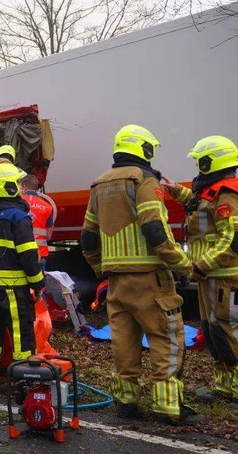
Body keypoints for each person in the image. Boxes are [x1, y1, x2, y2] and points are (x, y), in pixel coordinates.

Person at [81, 124, 195, 424]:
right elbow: (154, 228)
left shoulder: (99, 185)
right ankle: (168, 407)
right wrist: (181, 264)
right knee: (166, 339)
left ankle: (126, 403)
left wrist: (100, 272)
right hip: (151, 280)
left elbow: (88, 238)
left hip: (117, 283)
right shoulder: (143, 180)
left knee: (124, 344)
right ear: (145, 150)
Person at [163, 135, 238, 410]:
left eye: (199, 161)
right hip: (211, 276)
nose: (197, 166)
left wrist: (200, 265)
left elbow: (233, 239)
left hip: (226, 276)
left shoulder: (229, 193)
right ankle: (225, 387)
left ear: (210, 162)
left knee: (230, 329)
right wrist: (176, 191)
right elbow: (201, 207)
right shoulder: (213, 191)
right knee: (213, 330)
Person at [0, 163, 44, 392]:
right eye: (18, 184)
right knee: (21, 332)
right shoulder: (18, 217)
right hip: (14, 288)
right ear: (10, 188)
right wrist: (38, 282)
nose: (21, 188)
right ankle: (25, 379)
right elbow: (28, 255)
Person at [20, 175, 55, 271]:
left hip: (20, 252)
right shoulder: (48, 207)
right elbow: (48, 236)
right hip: (40, 253)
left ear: (24, 187)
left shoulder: (16, 203)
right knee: (39, 284)